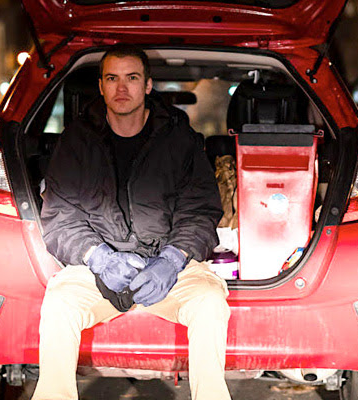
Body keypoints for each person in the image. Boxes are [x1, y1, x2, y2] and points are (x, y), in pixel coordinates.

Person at [32, 43, 232, 400]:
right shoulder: (76, 141)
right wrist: (99, 258)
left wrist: (172, 260)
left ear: (148, 85)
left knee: (209, 300)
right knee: (60, 301)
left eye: (132, 78)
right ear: (101, 86)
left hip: (169, 268)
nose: (121, 88)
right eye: (112, 78)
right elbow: (61, 216)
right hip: (98, 270)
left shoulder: (180, 140)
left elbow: (200, 212)